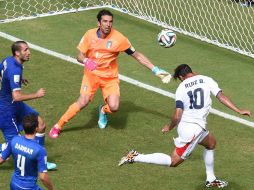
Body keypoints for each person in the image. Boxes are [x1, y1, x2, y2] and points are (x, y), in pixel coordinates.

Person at [118, 64, 251, 188]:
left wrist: (169, 126)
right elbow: (221, 97)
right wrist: (238, 110)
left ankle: (211, 179)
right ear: (191, 72)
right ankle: (135, 156)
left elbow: (177, 115)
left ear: (181, 77)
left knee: (211, 143)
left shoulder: (181, 88)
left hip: (192, 127)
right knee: (173, 162)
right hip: (193, 130)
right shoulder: (206, 79)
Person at [49, 9, 171, 138]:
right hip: (91, 76)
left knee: (114, 107)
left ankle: (103, 110)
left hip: (109, 78)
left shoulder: (119, 38)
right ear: (98, 23)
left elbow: (137, 55)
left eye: (110, 22)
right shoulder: (89, 35)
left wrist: (155, 69)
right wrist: (86, 60)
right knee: (83, 101)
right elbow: (79, 55)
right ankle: (58, 125)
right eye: (105, 21)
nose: (108, 24)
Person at [0, 41, 56, 170]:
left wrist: (18, 81)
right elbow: (17, 96)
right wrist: (36, 94)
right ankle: (4, 147)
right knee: (13, 149)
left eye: (28, 49)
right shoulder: (15, 69)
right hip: (6, 112)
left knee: (40, 124)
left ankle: (40, 160)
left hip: (15, 106)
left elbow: (2, 73)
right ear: (17, 53)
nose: (29, 52)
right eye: (25, 50)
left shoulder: (8, 60)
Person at [0, 114, 54, 190]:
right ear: (36, 128)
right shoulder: (39, 150)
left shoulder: (14, 140)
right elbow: (43, 177)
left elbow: (1, 159)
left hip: (14, 184)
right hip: (29, 187)